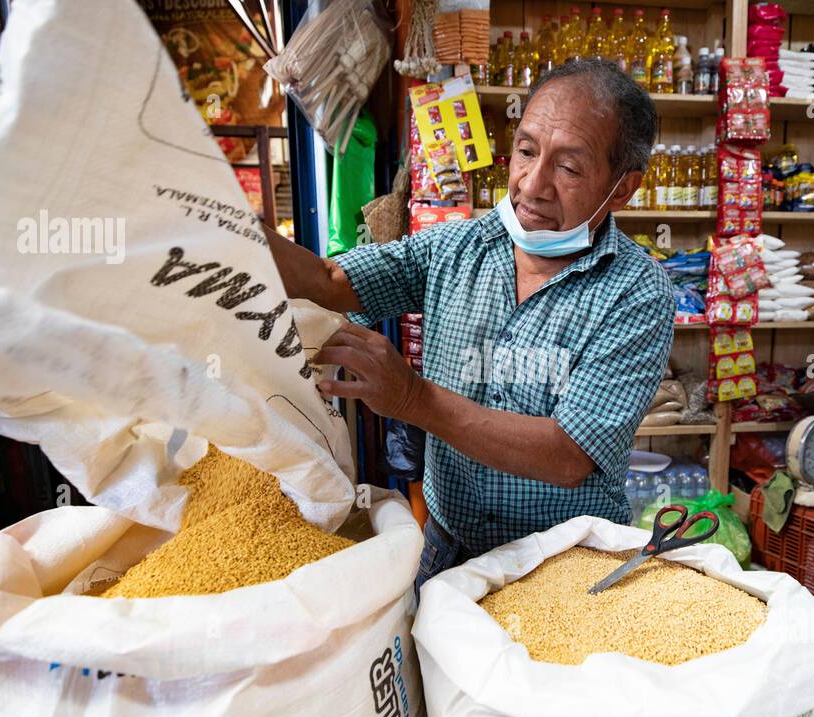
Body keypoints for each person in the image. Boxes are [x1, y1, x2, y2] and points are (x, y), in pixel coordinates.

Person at [266, 59, 673, 591]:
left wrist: (412, 398)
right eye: (526, 151)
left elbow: (568, 455)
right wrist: (222, 224)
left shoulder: (637, 292)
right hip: (448, 548)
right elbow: (328, 280)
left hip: (565, 567)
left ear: (621, 189)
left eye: (569, 168)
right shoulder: (458, 247)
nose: (533, 183)